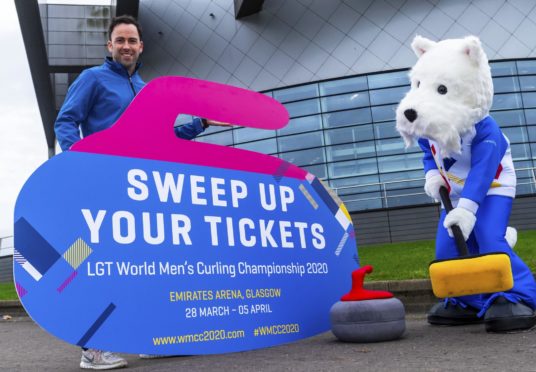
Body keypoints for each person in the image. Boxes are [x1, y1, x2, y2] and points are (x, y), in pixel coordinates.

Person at [54, 15, 223, 370]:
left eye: (132, 40)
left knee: (144, 265)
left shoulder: (147, 90)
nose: (127, 46)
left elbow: (162, 141)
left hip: (140, 191)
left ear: (141, 46)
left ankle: (148, 338)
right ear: (110, 46)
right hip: (103, 185)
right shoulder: (92, 79)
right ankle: (93, 348)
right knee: (95, 262)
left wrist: (200, 123)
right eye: (120, 40)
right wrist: (84, 161)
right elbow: (65, 122)